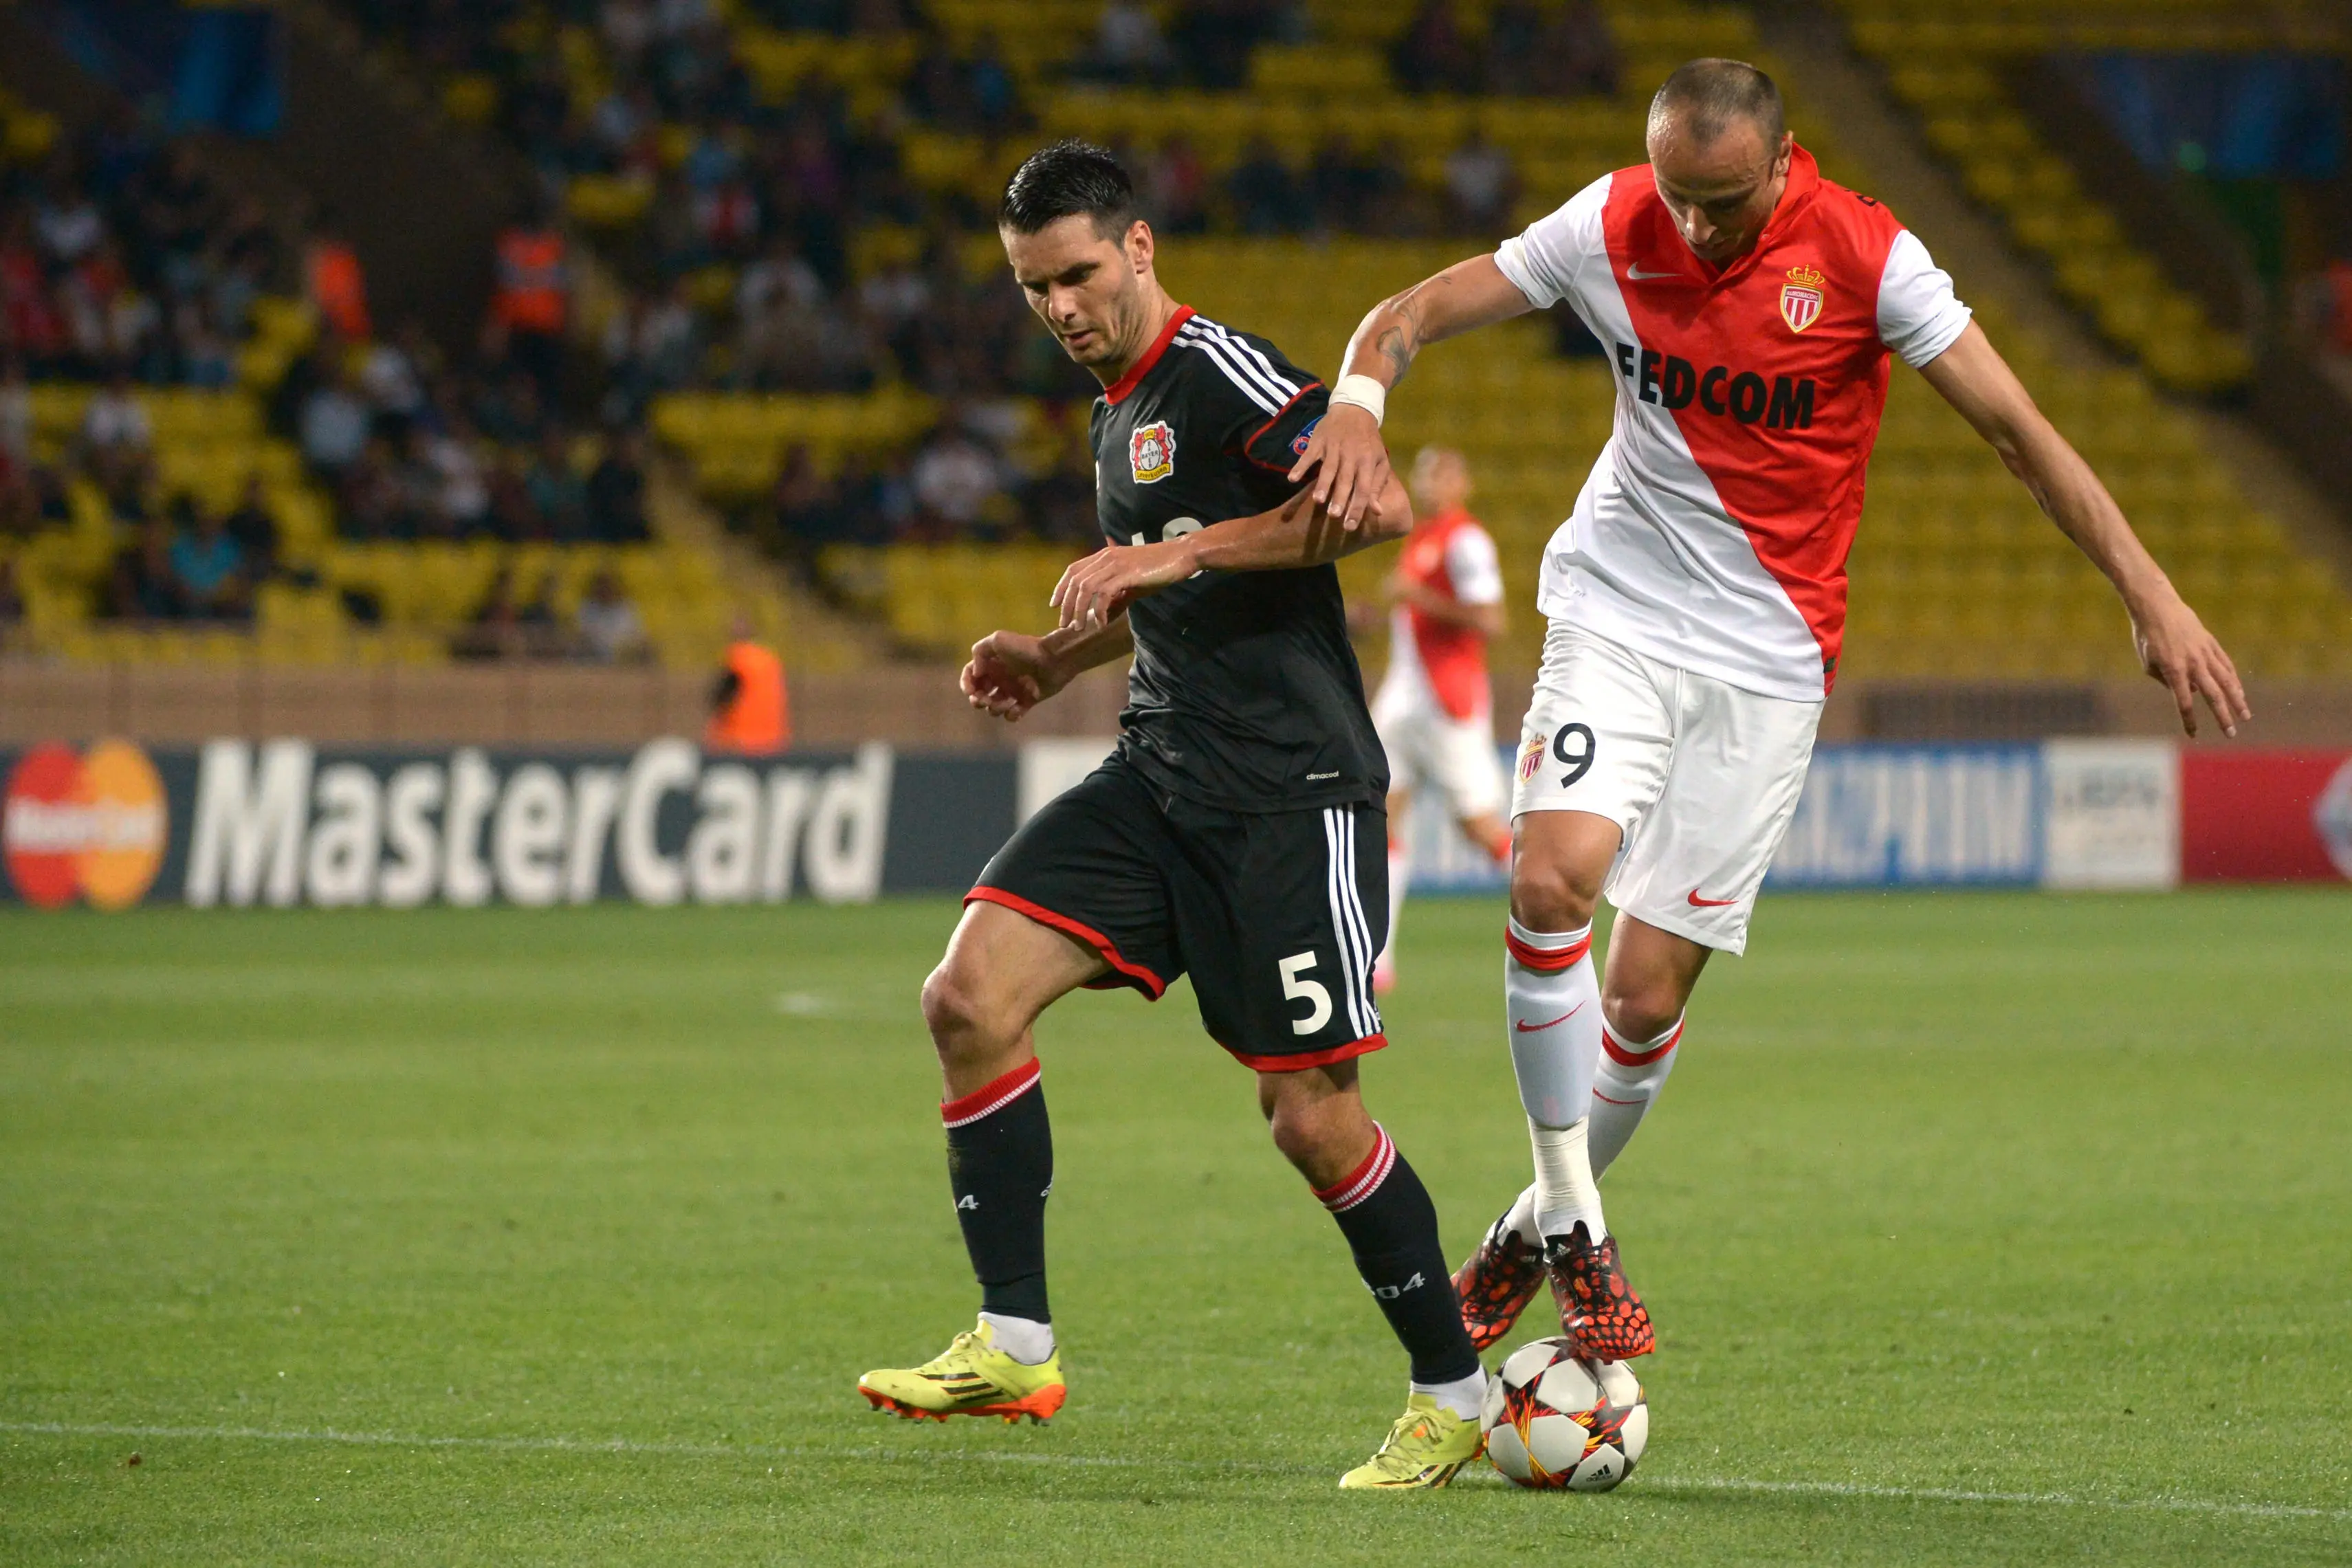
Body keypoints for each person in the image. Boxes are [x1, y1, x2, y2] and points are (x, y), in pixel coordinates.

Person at [1290, 59, 2248, 1365]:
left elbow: (2019, 428)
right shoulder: (1611, 221)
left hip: (1769, 657)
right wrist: (1362, 403)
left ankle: (1528, 1224)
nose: (1695, 226)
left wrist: (2152, 595)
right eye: (1678, 196)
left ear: (1786, 162)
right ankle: (1578, 1219)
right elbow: (1407, 313)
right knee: (1550, 881)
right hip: (1617, 614)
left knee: (1637, 997)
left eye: (1724, 200)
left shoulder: (1866, 256)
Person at [855, 142, 1489, 1491]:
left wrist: (1176, 546)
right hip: (1159, 773)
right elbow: (1173, 594)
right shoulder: (1112, 409)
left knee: (1312, 1121)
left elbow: (1364, 505)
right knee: (967, 997)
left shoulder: (1224, 373)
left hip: (1289, 793)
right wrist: (1054, 656)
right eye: (1035, 290)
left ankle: (1457, 1391)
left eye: (1080, 275)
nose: (1062, 308)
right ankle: (1016, 1341)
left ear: (1138, 250)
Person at [1368, 445, 1509, 993]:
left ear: (1463, 482)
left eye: (1442, 470)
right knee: (1378, 816)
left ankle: (1559, 918)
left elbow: (1491, 620)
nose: (1429, 479)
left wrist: (1420, 598)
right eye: (1423, 469)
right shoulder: (1421, 536)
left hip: (1447, 701)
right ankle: (1378, 957)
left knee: (1478, 827)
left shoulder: (1466, 540)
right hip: (1404, 698)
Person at [705, 618, 789, 754]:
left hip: (740, 741)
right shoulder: (770, 659)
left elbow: (721, 696)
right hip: (773, 741)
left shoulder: (738, 659)